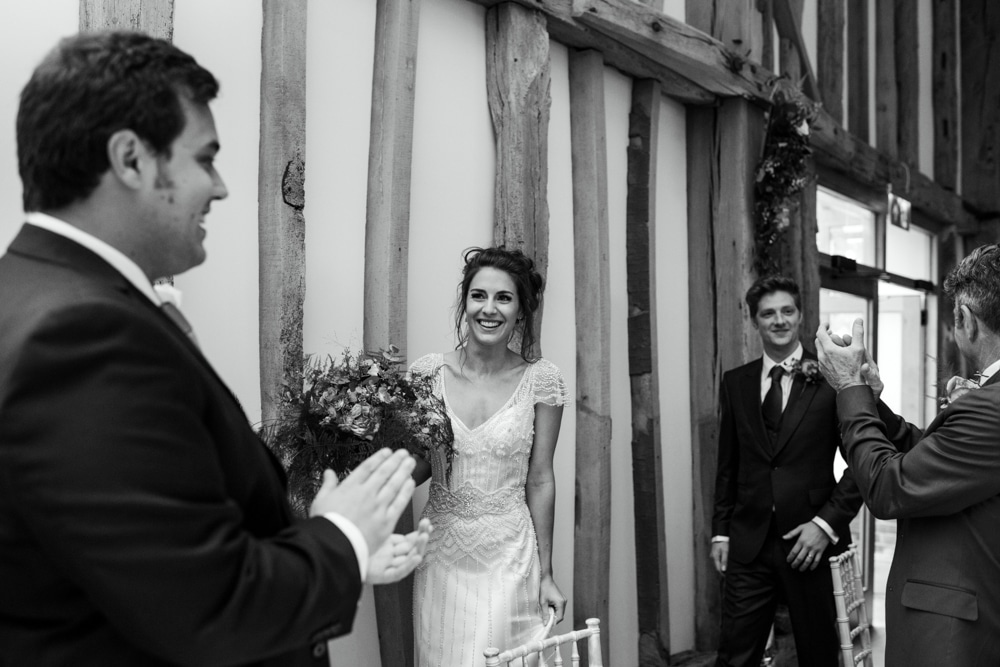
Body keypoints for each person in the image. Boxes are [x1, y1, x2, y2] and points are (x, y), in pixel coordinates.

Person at [0, 31, 428, 666]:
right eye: (204, 158)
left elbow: (143, 561)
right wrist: (343, 537)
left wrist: (337, 548)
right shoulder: (84, 335)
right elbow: (203, 607)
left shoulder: (32, 294)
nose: (221, 187)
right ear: (130, 159)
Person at [816, 244, 1000, 665]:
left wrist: (848, 388)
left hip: (953, 637)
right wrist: (872, 402)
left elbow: (886, 487)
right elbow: (934, 461)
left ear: (967, 321)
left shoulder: (990, 405)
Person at [409, 247, 568, 666]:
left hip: (509, 556)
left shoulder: (541, 380)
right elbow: (421, 464)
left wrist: (547, 573)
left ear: (521, 310)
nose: (489, 309)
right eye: (479, 296)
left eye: (503, 298)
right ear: (465, 302)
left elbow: (540, 478)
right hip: (442, 554)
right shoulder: (427, 374)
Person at [711, 275, 863, 667]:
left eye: (787, 311)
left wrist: (825, 524)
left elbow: (861, 462)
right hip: (749, 544)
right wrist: (720, 531)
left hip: (812, 544)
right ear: (755, 321)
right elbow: (728, 464)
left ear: (800, 317)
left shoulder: (832, 379)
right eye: (768, 314)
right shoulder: (736, 382)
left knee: (819, 655)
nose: (778, 320)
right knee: (734, 655)